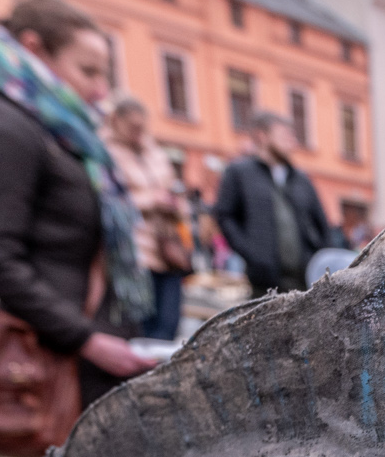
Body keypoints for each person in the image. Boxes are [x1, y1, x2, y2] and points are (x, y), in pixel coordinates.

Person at [0, 0, 154, 405]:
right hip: (55, 357)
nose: (100, 91)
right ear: (33, 48)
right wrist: (85, 339)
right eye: (87, 71)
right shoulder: (0, 127)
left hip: (85, 348)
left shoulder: (61, 130)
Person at [214, 114, 334, 297]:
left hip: (305, 279)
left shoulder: (301, 179)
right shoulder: (239, 173)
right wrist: (252, 255)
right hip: (264, 282)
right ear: (262, 136)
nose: (292, 142)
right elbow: (225, 216)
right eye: (285, 135)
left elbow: (322, 223)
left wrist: (320, 259)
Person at [104, 97, 186, 341]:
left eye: (142, 126)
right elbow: (107, 200)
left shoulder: (155, 153)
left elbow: (176, 191)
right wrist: (152, 200)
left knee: (169, 324)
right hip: (133, 253)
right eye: (133, 126)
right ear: (117, 122)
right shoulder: (106, 151)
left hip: (167, 250)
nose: (138, 132)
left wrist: (175, 203)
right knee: (141, 328)